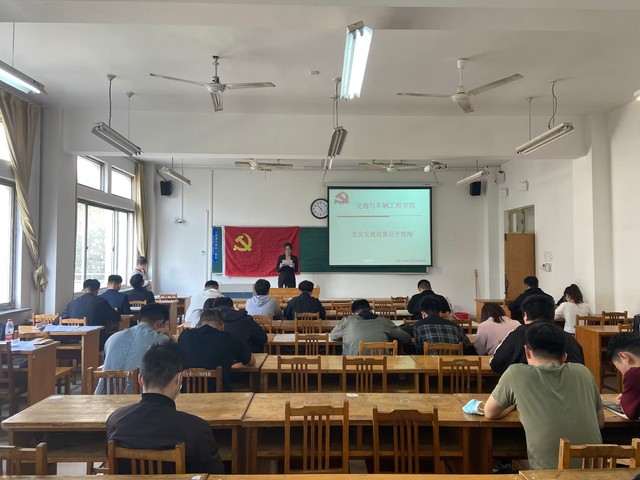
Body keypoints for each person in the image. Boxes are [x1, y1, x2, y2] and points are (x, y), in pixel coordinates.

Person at [484, 322, 604, 470]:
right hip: (595, 472)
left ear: (527, 352)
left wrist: (512, 406)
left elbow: (489, 413)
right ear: (564, 356)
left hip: (547, 475)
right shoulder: (583, 372)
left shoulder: (516, 374)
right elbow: (600, 422)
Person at [106, 342, 225, 474]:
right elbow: (216, 476)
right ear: (179, 379)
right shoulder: (197, 429)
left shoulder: (115, 421)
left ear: (140, 379)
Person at [491, 295, 584, 374]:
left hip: (525, 388)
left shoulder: (517, 335)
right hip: (565, 389)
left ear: (525, 315)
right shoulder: (570, 339)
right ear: (552, 315)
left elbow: (497, 364)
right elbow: (579, 365)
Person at [98, 303, 172, 394]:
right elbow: (175, 365)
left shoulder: (113, 338)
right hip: (141, 398)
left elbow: (106, 361)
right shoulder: (161, 340)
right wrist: (171, 336)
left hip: (104, 397)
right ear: (160, 323)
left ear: (138, 321)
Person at [177, 308, 256, 391]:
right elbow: (251, 361)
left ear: (198, 325)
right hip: (220, 394)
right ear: (222, 326)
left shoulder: (185, 335)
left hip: (187, 393)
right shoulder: (229, 338)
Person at [329, 299, 411, 355]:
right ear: (370, 309)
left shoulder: (347, 321)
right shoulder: (384, 321)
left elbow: (333, 336)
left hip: (352, 368)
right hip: (382, 368)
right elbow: (406, 338)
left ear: (354, 313)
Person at [61, 278, 120, 350]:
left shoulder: (72, 303)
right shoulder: (101, 302)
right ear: (96, 291)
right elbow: (116, 317)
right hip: (97, 341)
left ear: (83, 290)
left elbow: (58, 321)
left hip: (74, 342)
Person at [607, 333, 640, 419]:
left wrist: (625, 402)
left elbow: (631, 413)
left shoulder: (633, 374)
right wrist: (631, 395)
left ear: (624, 357)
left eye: (620, 369)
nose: (623, 374)